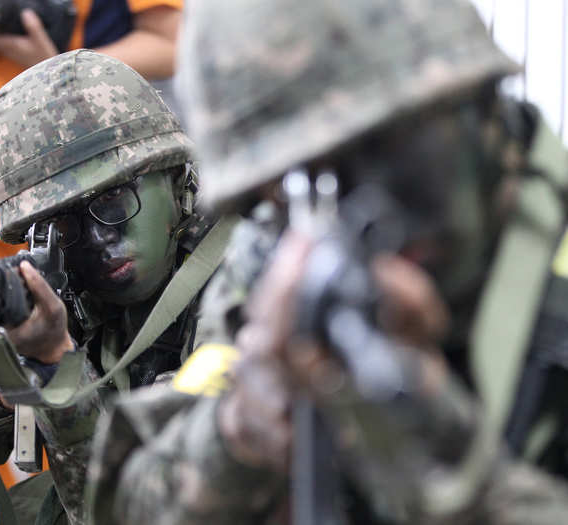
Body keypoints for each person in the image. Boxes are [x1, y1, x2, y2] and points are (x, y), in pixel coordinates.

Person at [84, 0, 568, 523]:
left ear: (481, 107)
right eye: (294, 187)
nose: (349, 214)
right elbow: (133, 499)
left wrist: (442, 452)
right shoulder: (278, 253)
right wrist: (239, 432)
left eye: (383, 150)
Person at [0, 49, 223, 525]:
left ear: (174, 174)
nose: (98, 240)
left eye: (114, 202)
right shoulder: (73, 292)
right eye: (64, 225)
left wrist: (60, 369)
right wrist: (12, 377)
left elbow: (160, 504)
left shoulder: (244, 279)